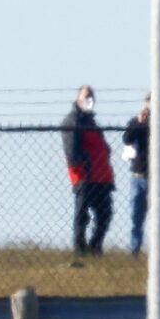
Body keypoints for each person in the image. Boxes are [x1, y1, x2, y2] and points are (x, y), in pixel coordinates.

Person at [59, 86, 114, 255]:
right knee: (82, 215)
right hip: (85, 176)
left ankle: (95, 247)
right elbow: (71, 151)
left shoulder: (91, 121)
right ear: (78, 98)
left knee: (105, 214)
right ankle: (80, 250)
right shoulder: (73, 120)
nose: (89, 100)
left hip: (102, 176)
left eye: (91, 97)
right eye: (86, 96)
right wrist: (86, 164)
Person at [122, 97, 156, 256]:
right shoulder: (136, 123)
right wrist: (139, 122)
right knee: (137, 217)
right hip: (138, 176)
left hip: (156, 177)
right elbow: (126, 139)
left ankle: (157, 250)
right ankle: (134, 250)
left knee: (157, 217)